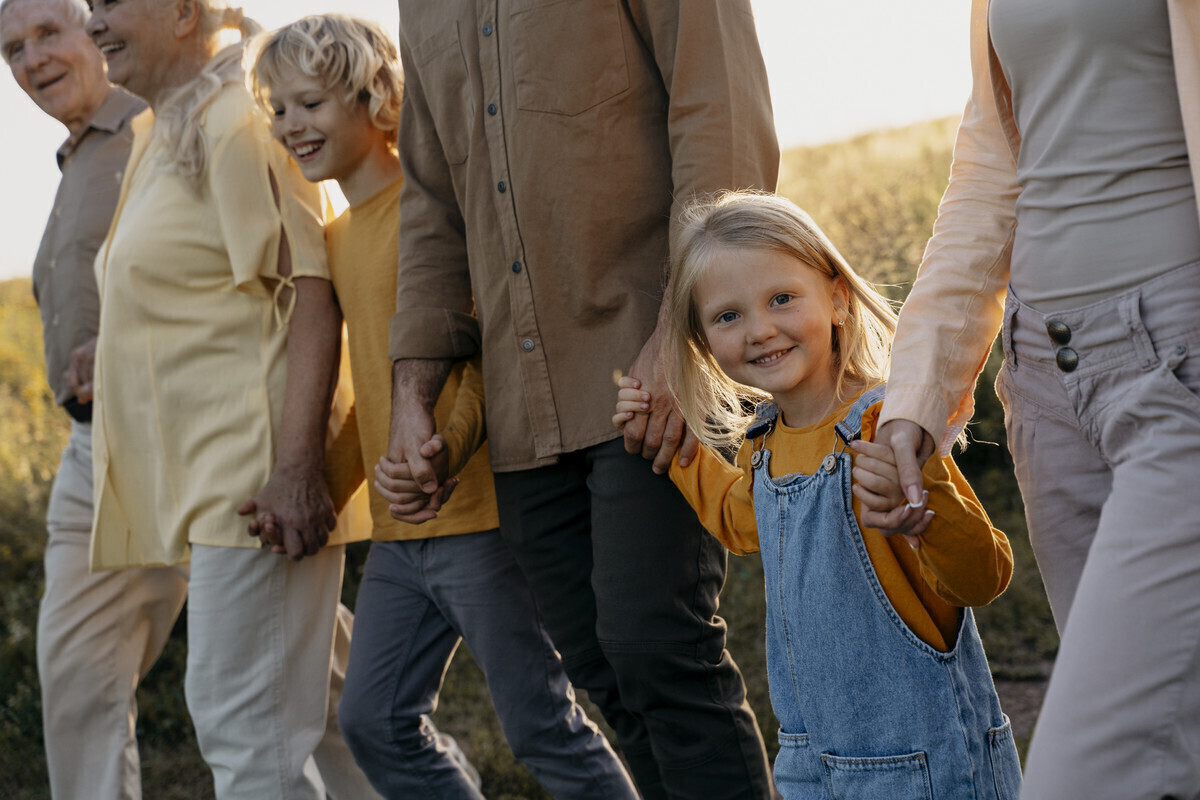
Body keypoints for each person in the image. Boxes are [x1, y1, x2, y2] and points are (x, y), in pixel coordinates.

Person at [384, 3, 780, 796]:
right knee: (603, 669)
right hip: (523, 402)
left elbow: (721, 114)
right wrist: (412, 388)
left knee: (659, 651)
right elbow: (431, 201)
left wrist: (678, 334)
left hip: (646, 362)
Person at [250, 15, 638, 799]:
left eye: (313, 104)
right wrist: (322, 487)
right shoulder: (333, 237)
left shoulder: (434, 216)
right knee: (374, 721)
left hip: (482, 520)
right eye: (280, 108)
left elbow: (481, 360)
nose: (293, 125)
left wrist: (440, 450)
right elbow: (376, 397)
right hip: (400, 540)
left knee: (539, 723)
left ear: (378, 98)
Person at [870, 1, 1200, 797]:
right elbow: (991, 168)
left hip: (1176, 372)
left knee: (1088, 769)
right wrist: (920, 387)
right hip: (1045, 390)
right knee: (1175, 752)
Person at [615, 191, 1020, 799]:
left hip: (923, 765)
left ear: (836, 297)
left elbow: (983, 577)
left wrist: (924, 513)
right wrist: (675, 442)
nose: (760, 330)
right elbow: (744, 521)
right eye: (728, 316)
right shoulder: (766, 445)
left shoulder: (885, 428)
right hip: (810, 763)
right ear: (703, 341)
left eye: (781, 298)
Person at [82, 2, 377, 798]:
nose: (93, 22)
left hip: (255, 488)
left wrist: (296, 470)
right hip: (217, 488)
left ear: (183, 12)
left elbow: (313, 292)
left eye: (109, 3)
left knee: (246, 740)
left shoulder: (241, 121)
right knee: (328, 734)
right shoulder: (165, 128)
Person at [0, 1, 189, 797]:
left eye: (49, 33)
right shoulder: (76, 157)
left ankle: (397, 776)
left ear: (99, 30)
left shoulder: (164, 123)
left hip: (182, 435)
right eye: (11, 48)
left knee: (300, 677)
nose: (31, 59)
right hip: (91, 450)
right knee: (76, 674)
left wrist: (124, 347)